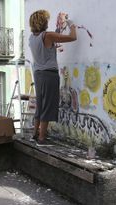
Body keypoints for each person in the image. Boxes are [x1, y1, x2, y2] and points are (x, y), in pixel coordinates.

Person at [28, 10, 77, 146]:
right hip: (49, 75)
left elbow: (49, 42)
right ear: (43, 22)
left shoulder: (32, 38)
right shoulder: (48, 36)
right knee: (48, 105)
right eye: (47, 20)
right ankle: (42, 139)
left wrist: (58, 28)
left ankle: (35, 135)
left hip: (38, 74)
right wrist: (72, 25)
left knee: (40, 105)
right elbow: (72, 37)